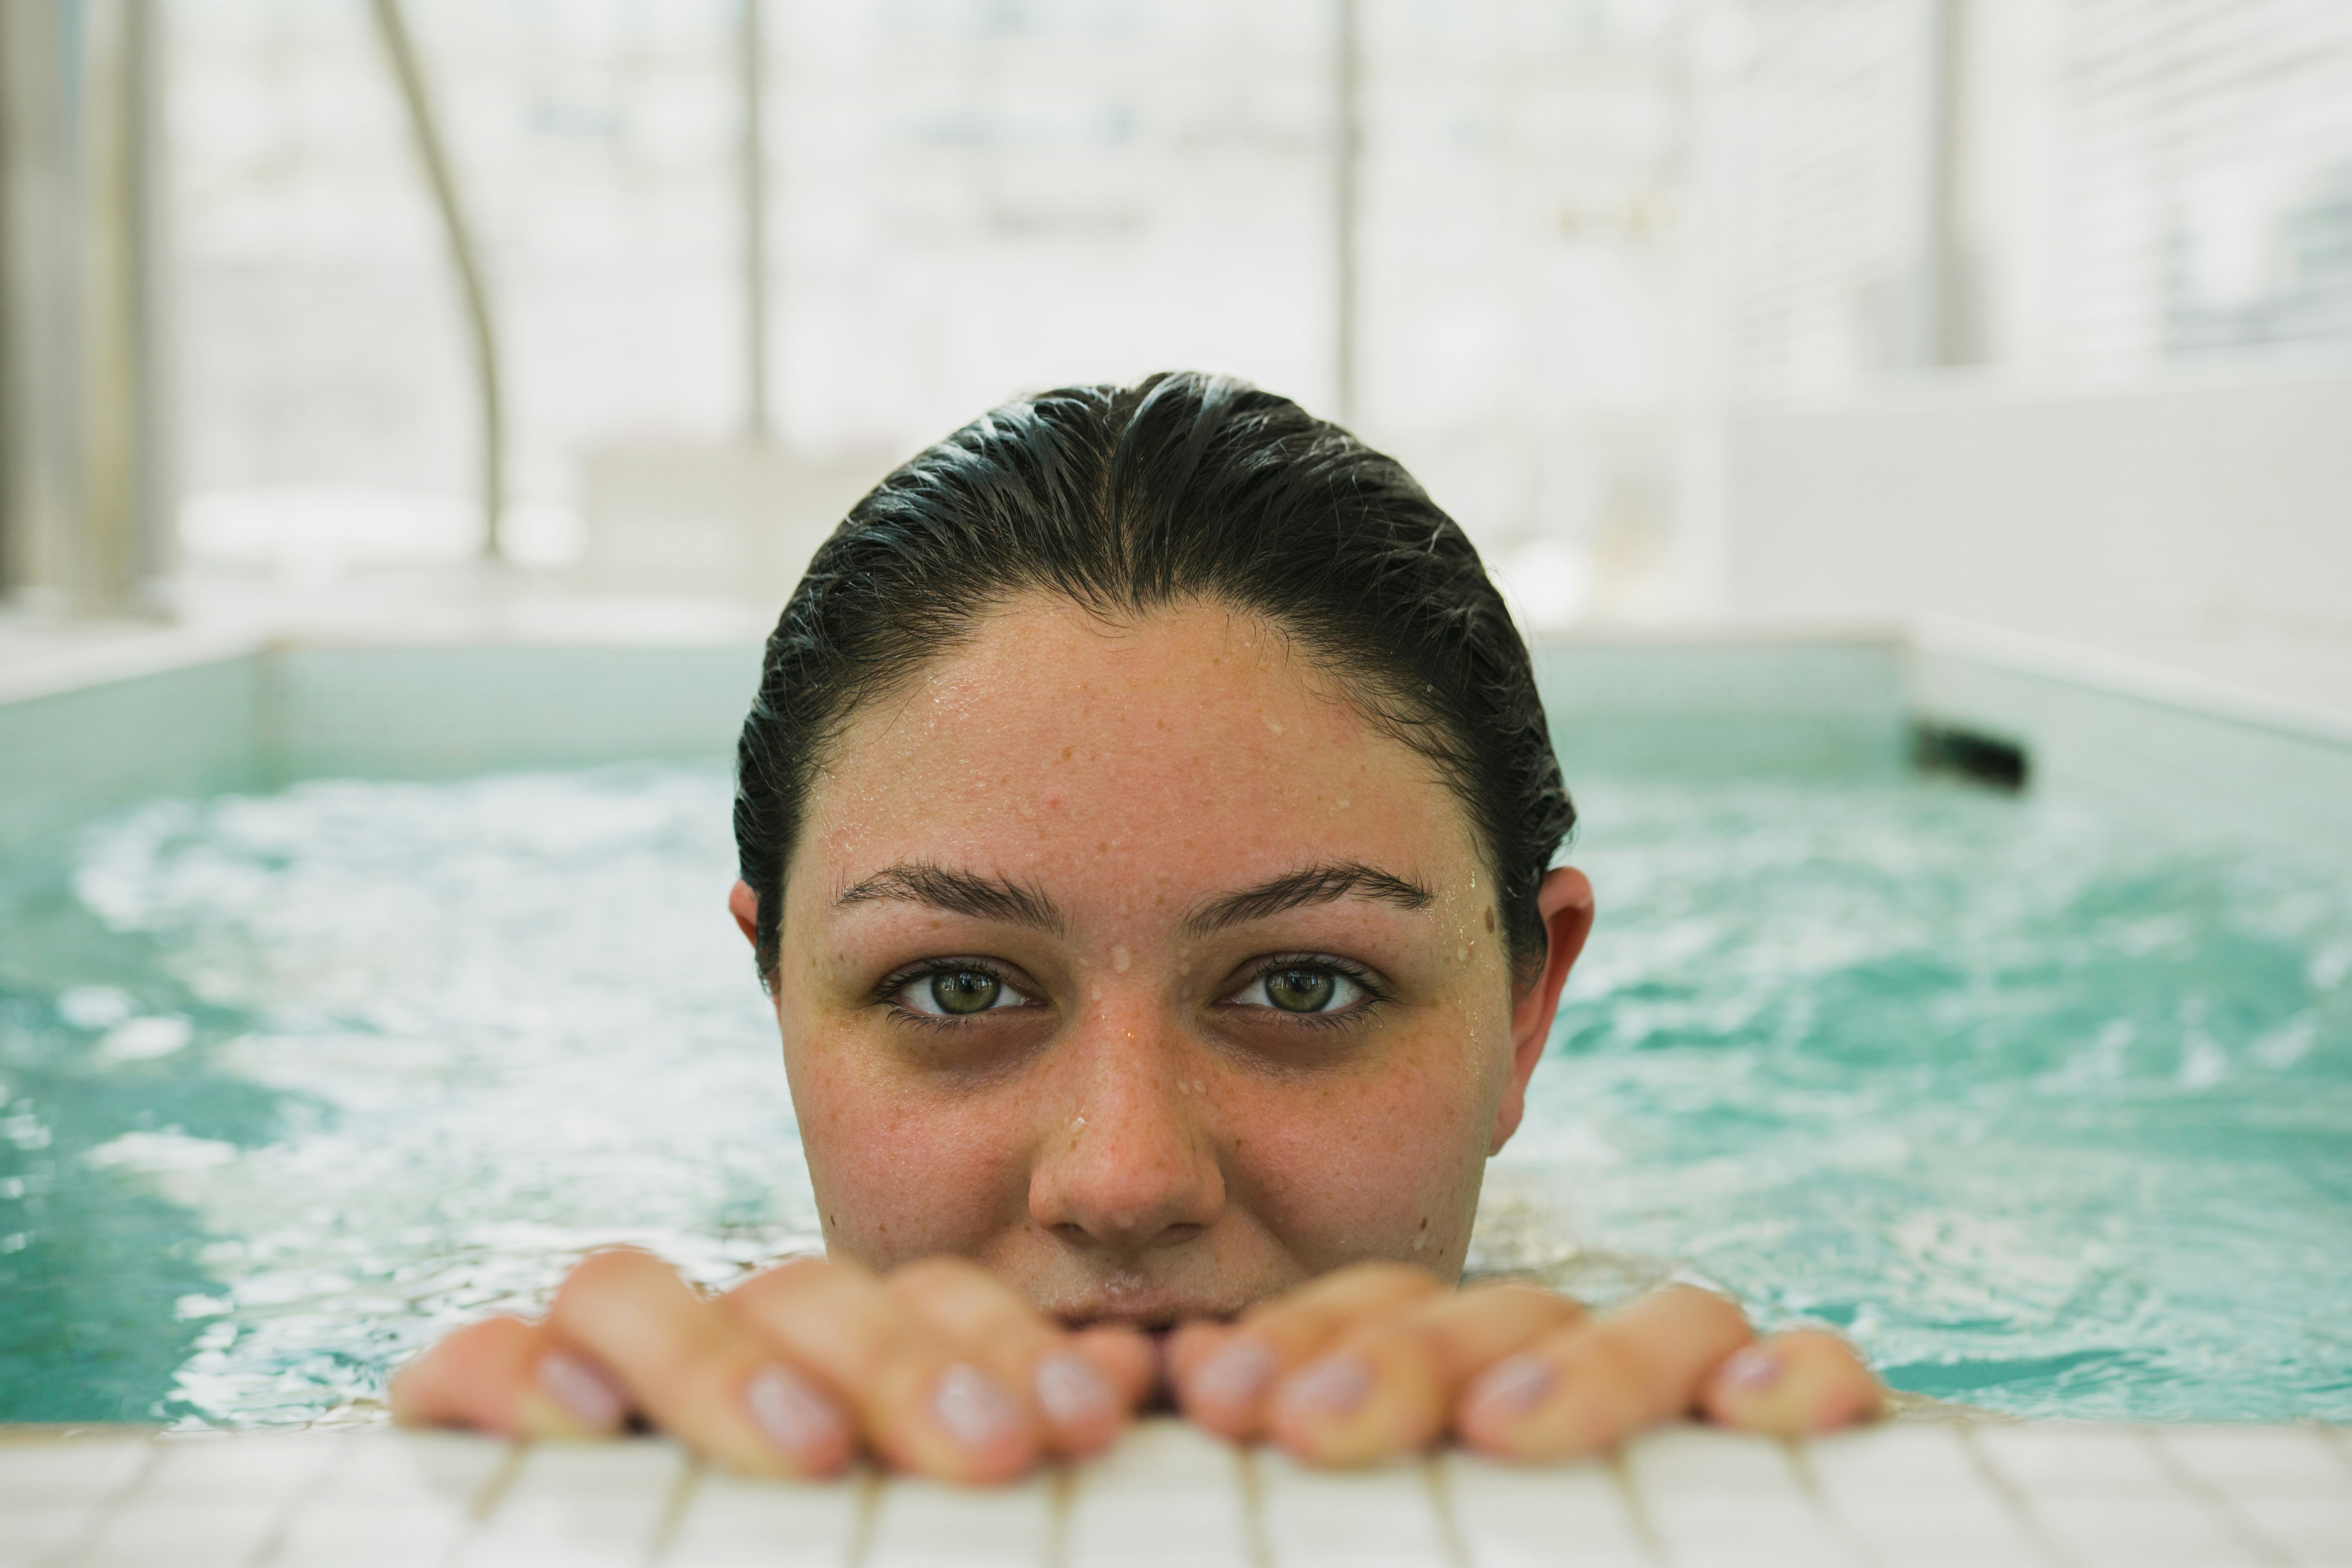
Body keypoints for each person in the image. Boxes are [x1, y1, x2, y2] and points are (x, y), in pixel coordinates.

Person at [391, 372, 1880, 1482]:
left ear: (1526, 1007)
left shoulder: (1662, 1393)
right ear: (779, 996)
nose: (1124, 1181)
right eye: (957, 988)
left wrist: (1841, 1483)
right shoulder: (617, 1395)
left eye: (1304, 986)